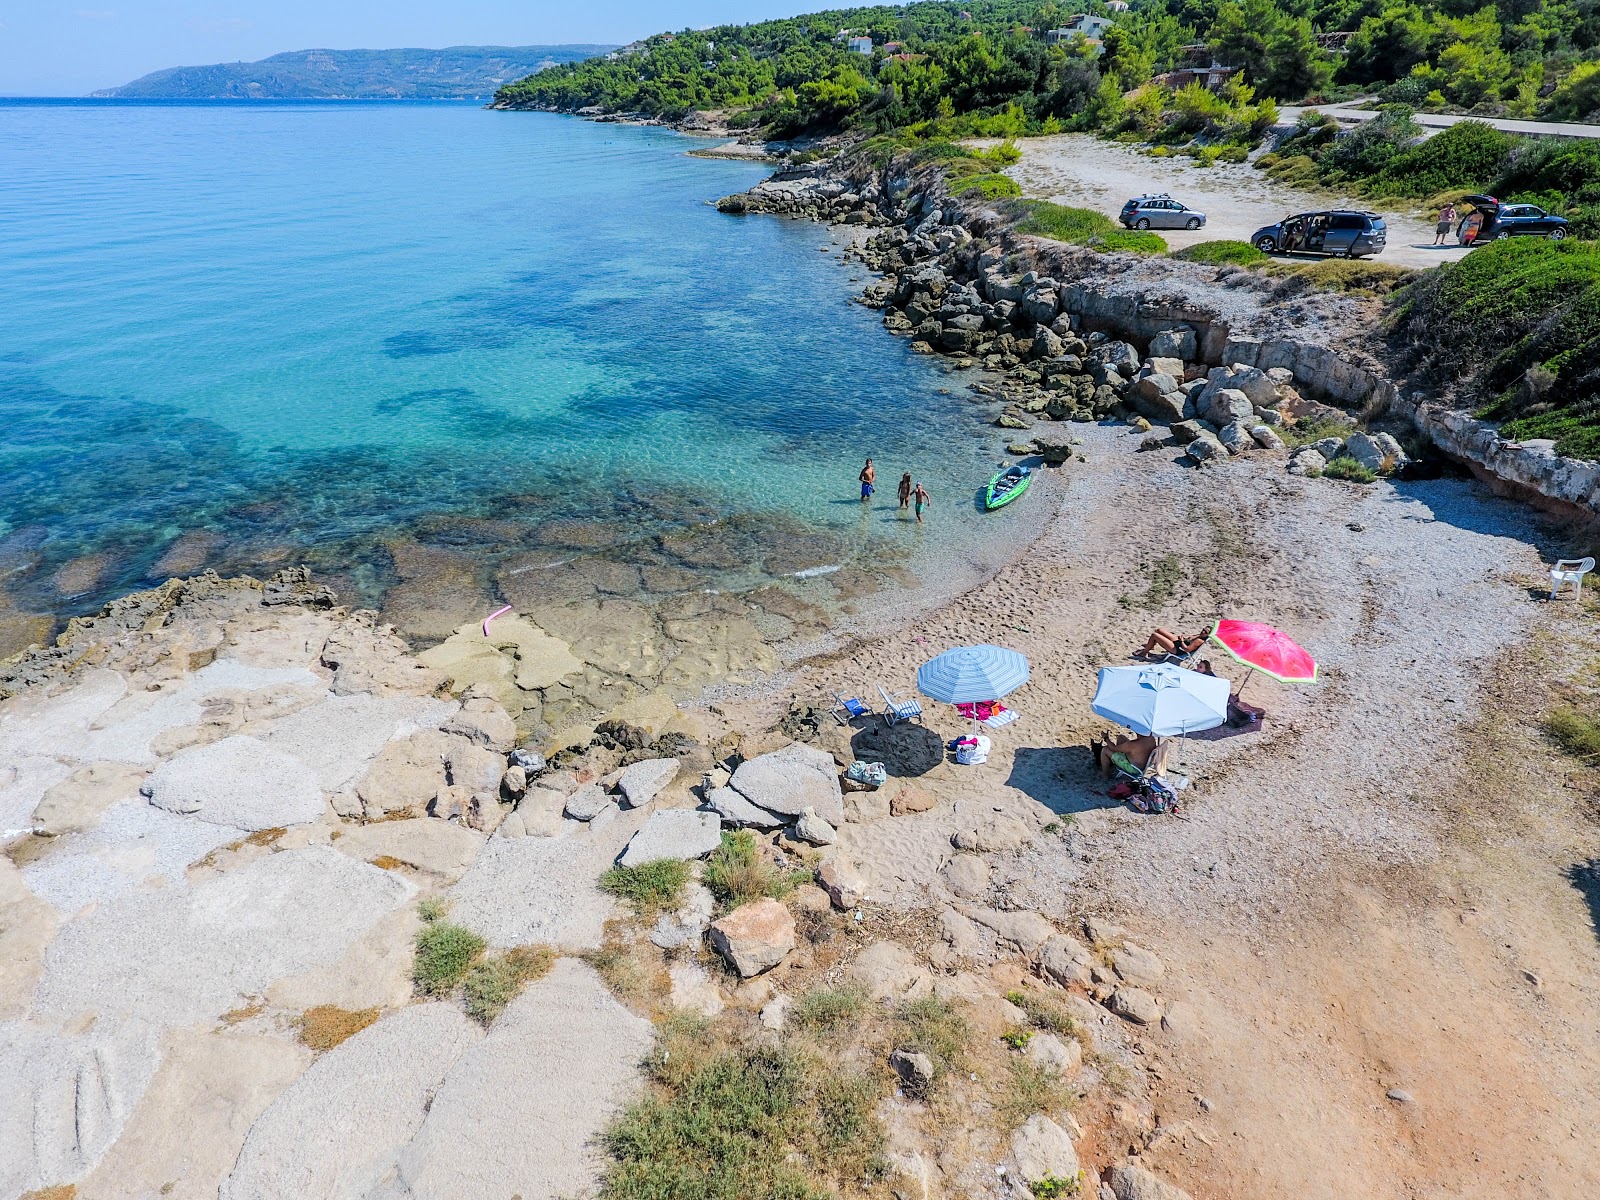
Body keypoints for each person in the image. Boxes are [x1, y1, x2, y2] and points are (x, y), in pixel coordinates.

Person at [1090, 731, 1168, 779]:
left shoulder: (1133, 745)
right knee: (1121, 738)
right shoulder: (1151, 738)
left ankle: (1105, 775)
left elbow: (1113, 748)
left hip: (1134, 768)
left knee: (1105, 750)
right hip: (1143, 763)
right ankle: (1114, 760)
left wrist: (1106, 738)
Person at [1136, 623, 1214, 659]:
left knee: (1154, 635)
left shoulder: (1199, 641)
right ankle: (1151, 646)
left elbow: (1187, 649)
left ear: (1207, 635)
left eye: (1205, 632)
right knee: (1159, 630)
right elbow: (1190, 638)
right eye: (1203, 629)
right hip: (1179, 642)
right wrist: (1183, 638)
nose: (1203, 632)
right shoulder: (1200, 635)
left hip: (1177, 649)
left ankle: (1144, 653)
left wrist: (1182, 641)